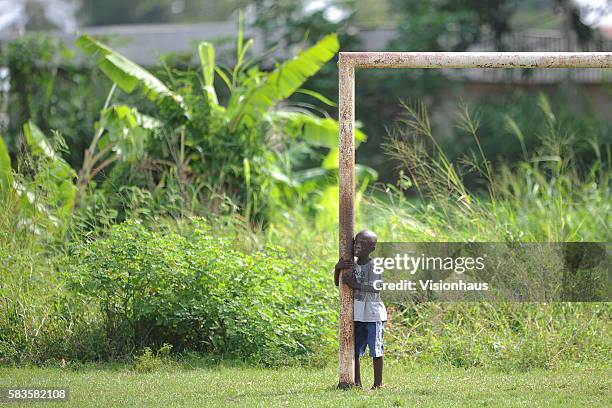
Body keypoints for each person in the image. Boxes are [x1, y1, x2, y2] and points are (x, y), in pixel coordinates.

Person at [334, 230, 387, 389]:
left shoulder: (374, 265)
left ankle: (378, 384)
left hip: (373, 315)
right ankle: (356, 383)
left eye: (363, 243)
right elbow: (339, 284)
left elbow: (376, 288)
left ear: (372, 248)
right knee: (355, 350)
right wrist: (338, 268)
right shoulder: (351, 264)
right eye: (356, 241)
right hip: (357, 315)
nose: (358, 244)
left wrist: (355, 285)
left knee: (376, 350)